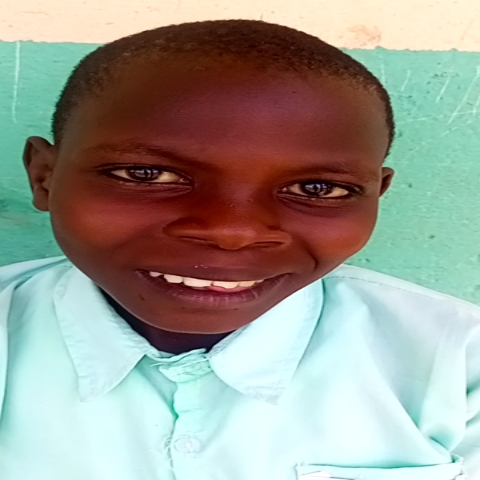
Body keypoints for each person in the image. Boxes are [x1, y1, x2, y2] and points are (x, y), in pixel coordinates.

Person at [0, 19, 478, 480]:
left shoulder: (458, 364)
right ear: (44, 176)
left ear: (376, 192)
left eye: (316, 188)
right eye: (147, 175)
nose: (233, 232)